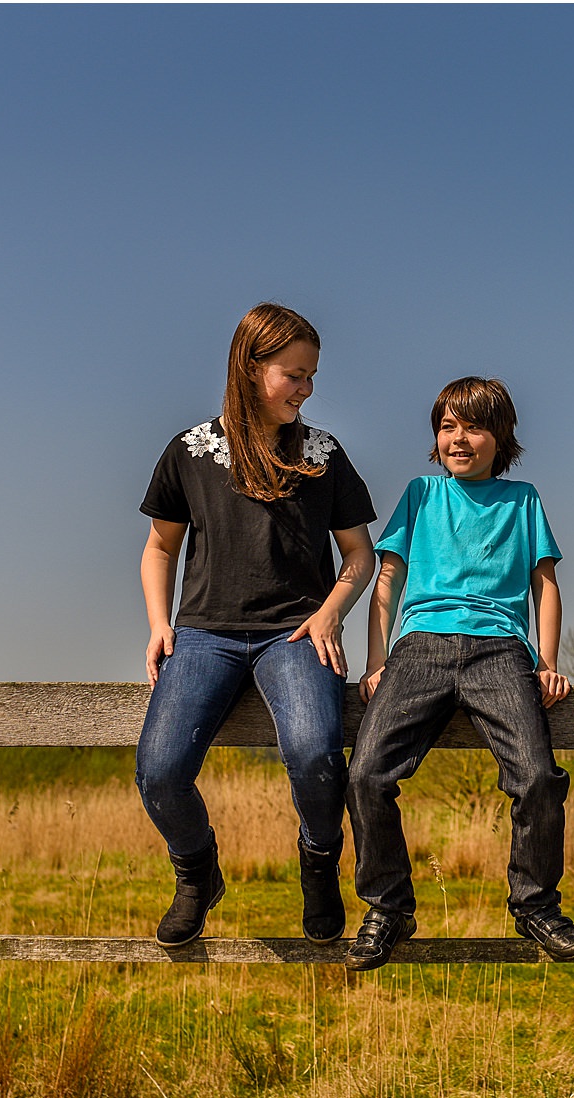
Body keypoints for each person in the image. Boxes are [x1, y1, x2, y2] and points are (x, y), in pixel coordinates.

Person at [136, 303, 377, 948]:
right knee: (159, 770)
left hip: (295, 632)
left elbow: (361, 554)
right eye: (293, 374)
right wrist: (161, 625)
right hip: (205, 634)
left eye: (311, 377)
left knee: (316, 757)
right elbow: (159, 548)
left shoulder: (323, 455)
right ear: (250, 367)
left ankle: (319, 863)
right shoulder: (190, 452)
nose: (305, 388)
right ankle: (197, 875)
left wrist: (331, 611)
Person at [343, 376, 574, 971]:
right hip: (419, 646)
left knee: (536, 777)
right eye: (448, 426)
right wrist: (378, 661)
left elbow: (545, 587)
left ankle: (535, 904)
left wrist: (547, 663)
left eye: (474, 426)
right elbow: (388, 581)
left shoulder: (523, 498)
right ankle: (389, 907)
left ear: (500, 438)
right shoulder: (421, 494)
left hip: (500, 649)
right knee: (365, 775)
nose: (459, 438)